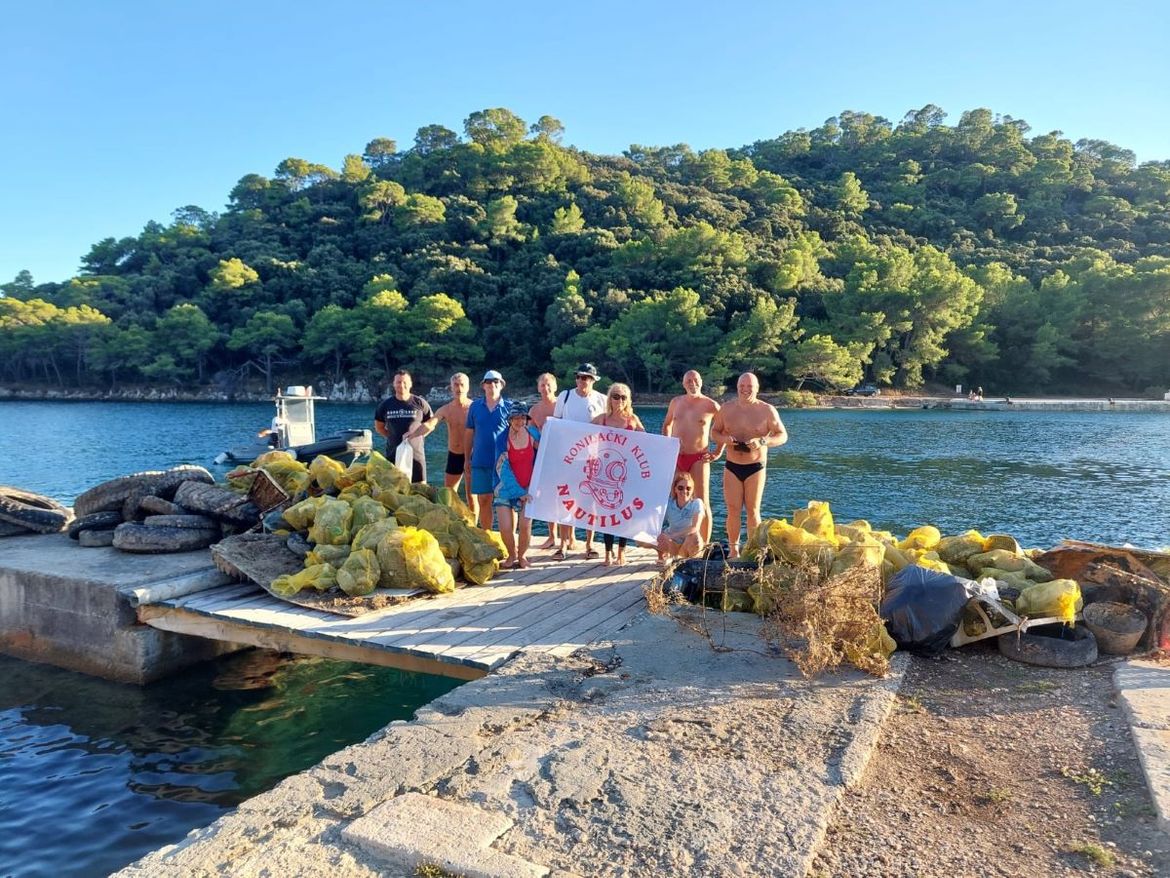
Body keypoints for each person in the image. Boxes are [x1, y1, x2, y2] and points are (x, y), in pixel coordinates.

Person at [710, 372, 788, 558]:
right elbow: (714, 432)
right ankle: (733, 550)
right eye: (742, 386)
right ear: (737, 387)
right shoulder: (726, 409)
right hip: (732, 465)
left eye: (749, 387)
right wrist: (725, 439)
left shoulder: (767, 410)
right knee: (733, 510)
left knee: (753, 511)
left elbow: (782, 436)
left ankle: (753, 550)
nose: (745, 390)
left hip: (755, 466)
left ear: (757, 388)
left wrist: (763, 441)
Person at [551, 362, 607, 560]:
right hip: (568, 459)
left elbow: (614, 427)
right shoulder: (564, 397)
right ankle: (563, 545)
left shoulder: (602, 399)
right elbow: (554, 426)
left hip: (592, 459)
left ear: (593, 380)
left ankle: (590, 544)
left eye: (586, 377)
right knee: (567, 501)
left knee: (590, 503)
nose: (581, 381)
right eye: (579, 377)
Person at [662, 369, 724, 543]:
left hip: (699, 457)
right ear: (683, 383)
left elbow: (723, 429)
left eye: (695, 380)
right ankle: (674, 543)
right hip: (677, 457)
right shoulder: (676, 402)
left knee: (702, 502)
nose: (692, 383)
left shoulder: (711, 405)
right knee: (675, 500)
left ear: (701, 382)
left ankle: (704, 546)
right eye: (688, 380)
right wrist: (668, 445)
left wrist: (718, 451)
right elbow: (667, 425)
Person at [591, 382, 644, 566]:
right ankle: (607, 552)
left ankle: (622, 551)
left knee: (623, 514)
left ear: (628, 400)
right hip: (603, 475)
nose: (619, 400)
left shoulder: (633, 420)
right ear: (610, 398)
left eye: (623, 397)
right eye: (615, 396)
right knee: (607, 514)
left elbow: (648, 442)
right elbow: (582, 436)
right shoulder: (601, 419)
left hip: (627, 474)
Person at [464, 369, 512, 531]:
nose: (492, 385)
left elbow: (519, 435)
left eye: (496, 382)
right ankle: (488, 536)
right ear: (483, 386)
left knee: (508, 501)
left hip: (505, 463)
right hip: (480, 460)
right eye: (489, 382)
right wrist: (466, 459)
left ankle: (510, 538)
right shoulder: (475, 407)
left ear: (502, 385)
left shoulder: (510, 408)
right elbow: (469, 433)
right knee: (484, 500)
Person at [494, 402, 539, 569]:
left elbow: (546, 451)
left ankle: (522, 556)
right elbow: (502, 469)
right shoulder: (501, 439)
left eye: (522, 418)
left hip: (528, 486)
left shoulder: (533, 434)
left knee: (525, 525)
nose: (519, 421)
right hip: (504, 487)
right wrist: (518, 492)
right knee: (505, 527)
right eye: (516, 418)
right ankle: (511, 555)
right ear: (510, 419)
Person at [373, 369, 436, 483]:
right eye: (398, 382)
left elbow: (431, 424)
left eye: (405, 382)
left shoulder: (420, 403)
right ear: (393, 384)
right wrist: (392, 437)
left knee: (420, 489)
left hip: (416, 456)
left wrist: (418, 436)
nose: (401, 385)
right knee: (395, 490)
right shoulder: (385, 405)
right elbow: (379, 427)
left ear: (410, 383)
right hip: (393, 454)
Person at [528, 373, 560, 550]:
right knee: (548, 497)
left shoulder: (562, 406)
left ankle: (568, 538)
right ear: (538, 387)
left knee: (565, 495)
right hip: (543, 458)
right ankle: (552, 536)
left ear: (555, 386)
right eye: (542, 385)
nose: (545, 388)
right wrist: (537, 443)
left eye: (548, 384)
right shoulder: (534, 411)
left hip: (563, 457)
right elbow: (530, 434)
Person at [432, 372, 473, 509]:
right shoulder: (446, 409)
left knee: (471, 495)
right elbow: (431, 423)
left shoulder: (475, 408)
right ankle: (451, 521)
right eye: (456, 385)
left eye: (462, 385)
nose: (459, 388)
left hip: (472, 456)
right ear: (451, 387)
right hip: (454, 455)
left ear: (467, 387)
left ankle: (474, 527)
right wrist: (414, 434)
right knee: (448, 493)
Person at [656, 471, 706, 563]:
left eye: (688, 488)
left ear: (692, 490)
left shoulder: (697, 503)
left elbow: (695, 527)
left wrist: (671, 536)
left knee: (695, 538)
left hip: (687, 543)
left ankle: (692, 562)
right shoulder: (669, 503)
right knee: (655, 534)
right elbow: (655, 520)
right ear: (675, 489)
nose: (684, 491)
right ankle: (662, 557)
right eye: (680, 488)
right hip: (672, 543)